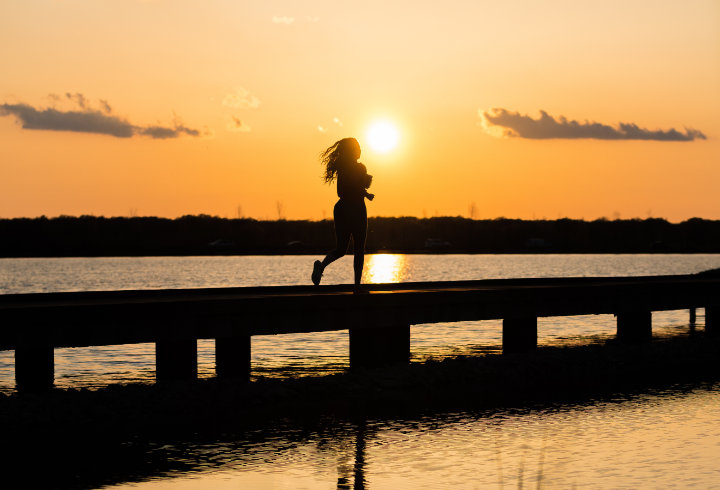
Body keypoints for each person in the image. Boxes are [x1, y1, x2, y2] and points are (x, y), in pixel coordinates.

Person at [312, 137, 374, 288]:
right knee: (354, 249)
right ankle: (357, 286)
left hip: (344, 209)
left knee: (343, 250)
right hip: (352, 210)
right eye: (358, 147)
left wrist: (364, 189)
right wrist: (365, 193)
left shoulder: (349, 168)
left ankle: (322, 266)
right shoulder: (355, 168)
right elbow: (345, 190)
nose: (360, 150)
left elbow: (351, 188)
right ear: (351, 151)